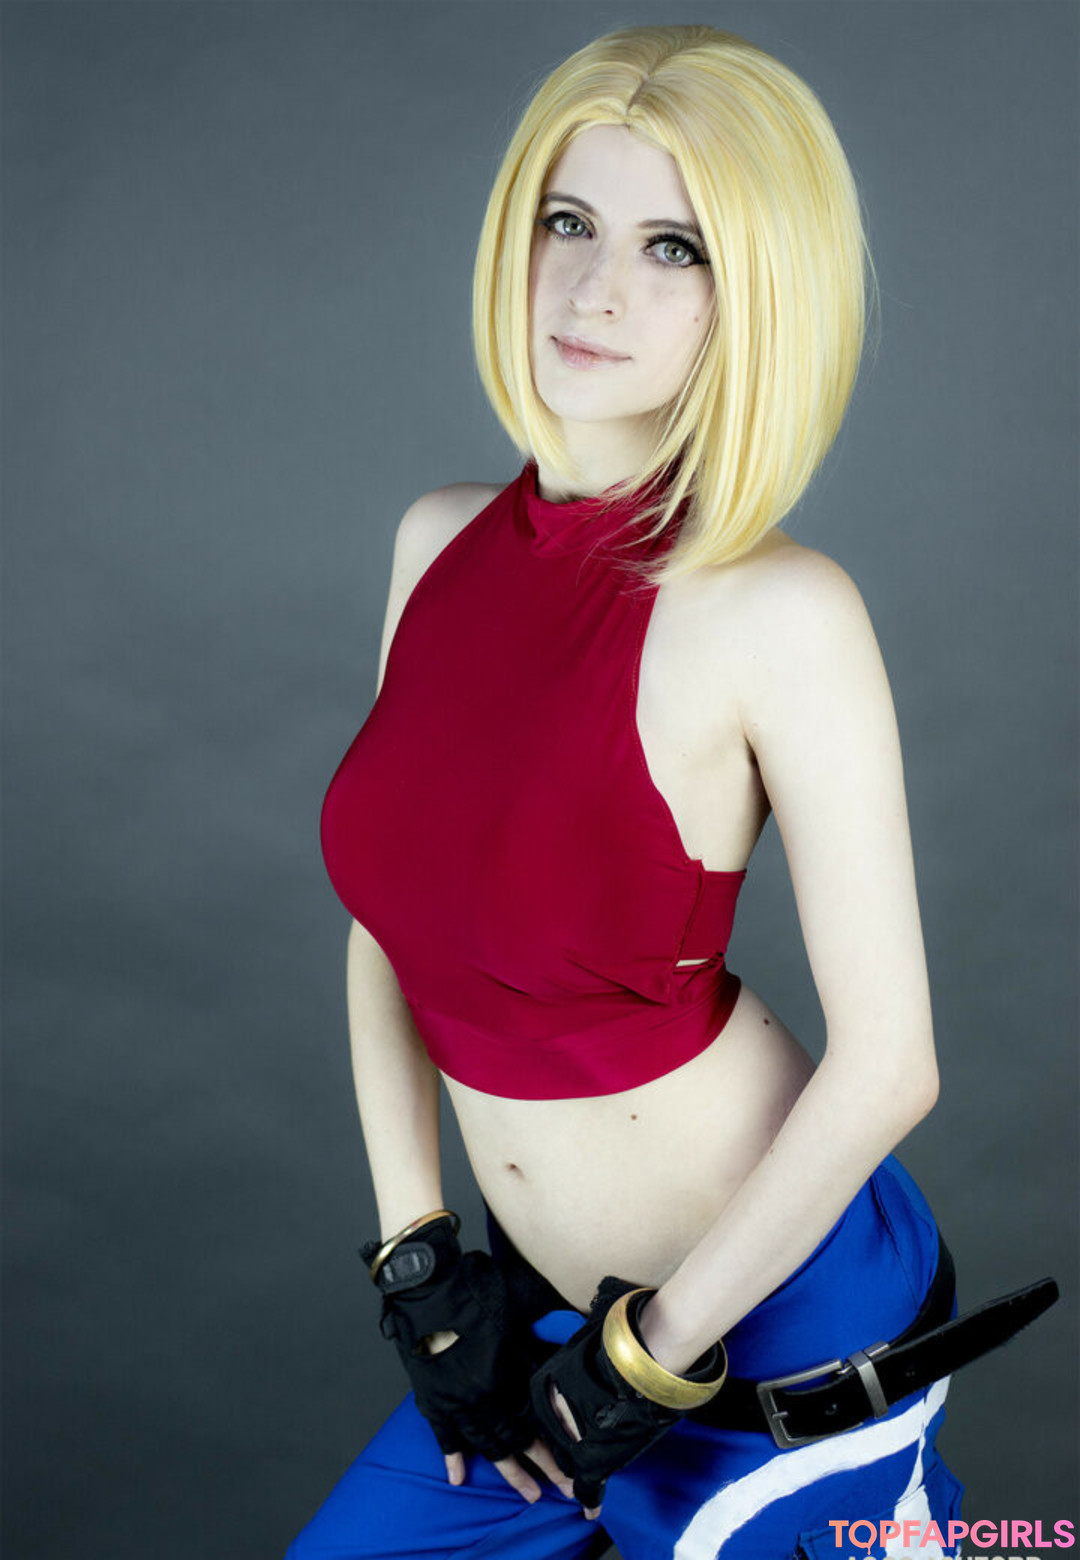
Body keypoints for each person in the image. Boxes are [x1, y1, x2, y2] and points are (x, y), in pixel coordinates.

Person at [286, 25, 1054, 1560]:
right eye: (568, 222)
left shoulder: (781, 612)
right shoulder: (436, 545)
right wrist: (419, 1259)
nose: (595, 289)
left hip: (779, 1343)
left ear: (756, 292)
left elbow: (893, 1064)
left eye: (674, 248)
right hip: (548, 1329)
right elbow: (393, 918)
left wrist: (656, 1352)